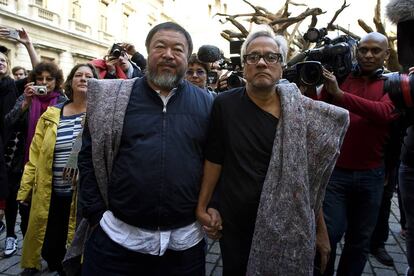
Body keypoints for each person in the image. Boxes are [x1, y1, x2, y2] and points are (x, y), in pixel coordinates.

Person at [196, 24, 349, 275]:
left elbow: (308, 180)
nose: (261, 63)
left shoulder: (300, 113)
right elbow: (215, 159)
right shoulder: (224, 104)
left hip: (288, 221)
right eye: (253, 56)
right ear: (244, 65)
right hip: (236, 220)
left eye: (271, 57)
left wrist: (319, 229)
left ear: (282, 65)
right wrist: (203, 206)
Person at [78, 21, 213, 275]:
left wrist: (211, 206)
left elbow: (216, 161)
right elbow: (88, 156)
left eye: (178, 49)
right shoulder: (114, 98)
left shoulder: (207, 104)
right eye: (160, 47)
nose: (168, 55)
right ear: (147, 51)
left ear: (187, 56)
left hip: (184, 244)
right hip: (117, 240)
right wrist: (97, 215)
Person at [316, 32, 397, 276]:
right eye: (363, 50)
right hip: (335, 174)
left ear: (387, 54)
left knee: (359, 241)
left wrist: (340, 95)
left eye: (375, 50)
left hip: (372, 176)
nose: (368, 55)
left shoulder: (392, 83)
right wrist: (312, 86)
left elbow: (383, 112)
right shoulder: (339, 78)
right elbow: (318, 110)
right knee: (329, 234)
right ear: (356, 51)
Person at [16, 63, 98, 276]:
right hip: (50, 191)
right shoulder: (52, 115)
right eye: (78, 75)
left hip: (82, 195)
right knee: (51, 245)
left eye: (88, 76)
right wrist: (25, 189)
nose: (83, 78)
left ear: (97, 83)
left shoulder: (101, 115)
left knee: (75, 249)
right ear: (70, 82)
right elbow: (34, 156)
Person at [4, 61, 66, 261]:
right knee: (26, 210)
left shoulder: (63, 100)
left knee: (51, 213)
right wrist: (26, 104)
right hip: (24, 163)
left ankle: (49, 253)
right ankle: (30, 257)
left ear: (57, 82)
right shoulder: (26, 97)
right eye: (40, 79)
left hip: (52, 165)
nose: (44, 83)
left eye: (49, 79)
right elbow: (9, 123)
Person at [0, 48, 18, 242]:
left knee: (10, 194)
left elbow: (40, 69)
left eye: (3, 60)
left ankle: (11, 235)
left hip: (10, 148)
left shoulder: (13, 85)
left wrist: (28, 45)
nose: (0, 63)